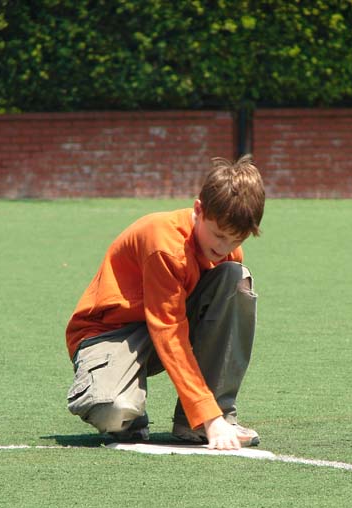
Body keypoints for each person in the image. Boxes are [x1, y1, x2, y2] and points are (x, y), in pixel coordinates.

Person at [65, 155, 265, 450]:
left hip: (158, 326)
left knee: (235, 277)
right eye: (219, 235)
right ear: (199, 209)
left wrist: (208, 414)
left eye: (236, 240)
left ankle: (203, 420)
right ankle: (142, 412)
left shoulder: (226, 253)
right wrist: (207, 414)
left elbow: (178, 325)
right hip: (109, 333)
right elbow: (168, 331)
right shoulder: (165, 245)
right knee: (115, 412)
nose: (224, 248)